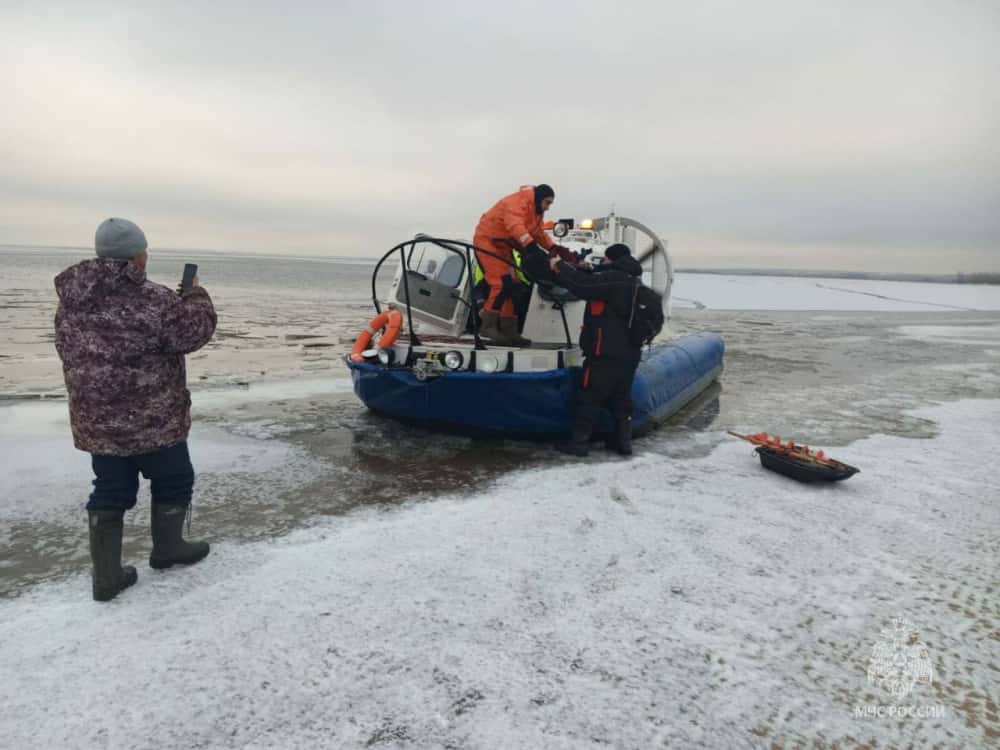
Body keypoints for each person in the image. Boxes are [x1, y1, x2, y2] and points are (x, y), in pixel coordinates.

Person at [54, 218, 217, 602]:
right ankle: (168, 549)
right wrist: (197, 297)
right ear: (137, 258)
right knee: (175, 479)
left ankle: (106, 577)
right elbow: (194, 333)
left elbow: (68, 350)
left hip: (99, 421)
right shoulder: (154, 299)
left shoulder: (71, 301)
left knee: (110, 489)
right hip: (153, 420)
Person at [543, 243, 644, 457]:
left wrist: (559, 265)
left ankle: (579, 444)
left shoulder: (611, 280)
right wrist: (579, 267)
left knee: (589, 397)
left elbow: (583, 285)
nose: (603, 264)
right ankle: (623, 444)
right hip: (631, 354)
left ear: (611, 259)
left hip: (604, 352)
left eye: (605, 260)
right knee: (621, 399)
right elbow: (592, 278)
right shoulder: (635, 282)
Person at [472, 184, 574, 346]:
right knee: (501, 283)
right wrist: (530, 246)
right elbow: (515, 226)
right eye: (547, 203)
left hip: (505, 243)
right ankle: (488, 325)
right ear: (539, 198)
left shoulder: (535, 212)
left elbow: (538, 233)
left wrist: (553, 248)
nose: (547, 207)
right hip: (487, 240)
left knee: (513, 285)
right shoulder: (516, 203)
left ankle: (509, 330)